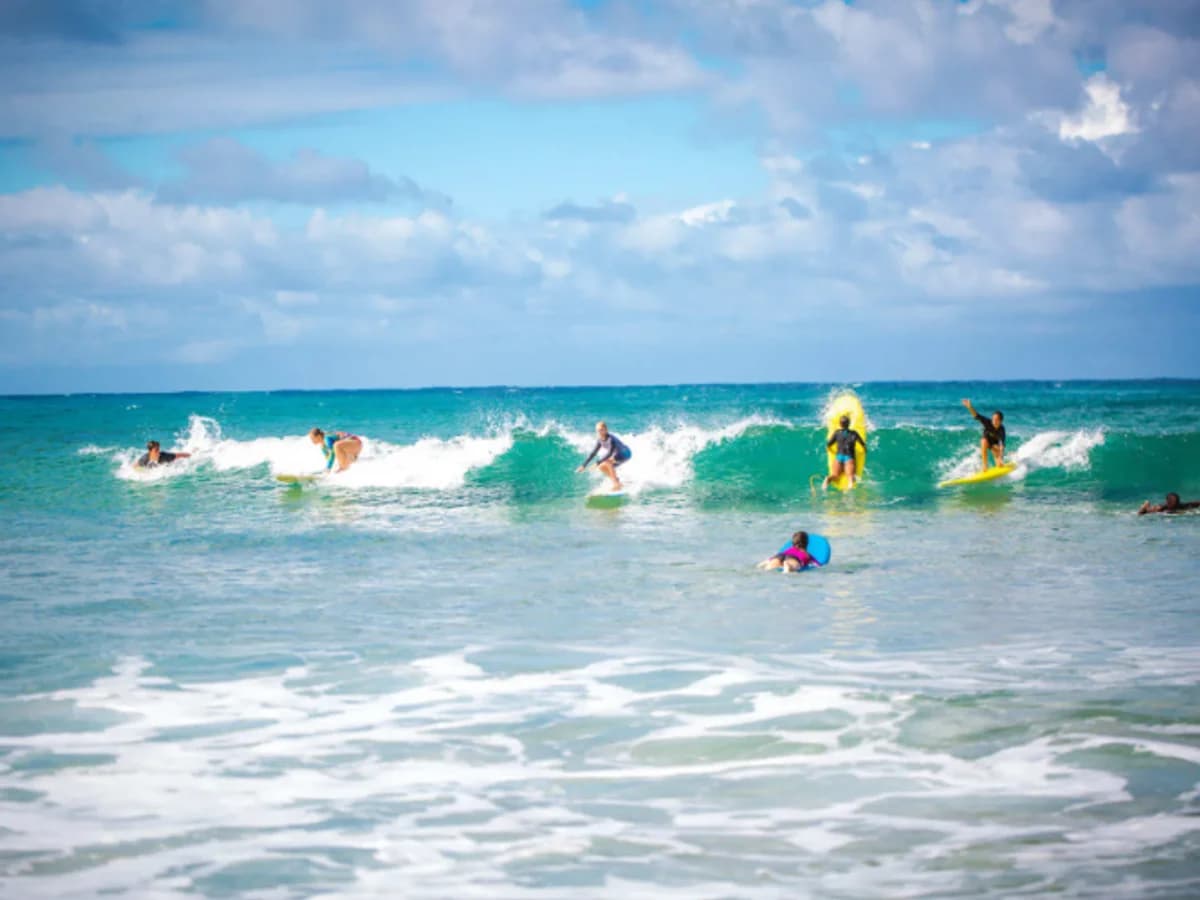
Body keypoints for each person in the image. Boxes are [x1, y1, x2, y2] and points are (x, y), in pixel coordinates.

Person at [576, 421, 632, 492]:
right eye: (598, 430)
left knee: (607, 462)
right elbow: (593, 453)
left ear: (606, 430)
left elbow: (609, 453)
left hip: (625, 453)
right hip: (617, 456)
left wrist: (597, 463)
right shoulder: (600, 440)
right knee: (601, 467)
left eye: (601, 430)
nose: (599, 432)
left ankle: (616, 485)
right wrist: (583, 465)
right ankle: (618, 482)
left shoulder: (611, 439)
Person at [823, 414, 866, 489]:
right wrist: (865, 450)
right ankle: (849, 492)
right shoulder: (854, 433)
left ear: (840, 424)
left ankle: (828, 479)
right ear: (849, 424)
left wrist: (828, 449)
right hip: (849, 458)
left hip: (839, 457)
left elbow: (829, 444)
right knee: (850, 477)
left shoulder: (837, 433)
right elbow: (863, 444)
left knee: (835, 476)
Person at [962, 398, 1005, 471]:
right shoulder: (988, 422)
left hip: (994, 444)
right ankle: (985, 465)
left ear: (1001, 421)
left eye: (996, 420)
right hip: (986, 441)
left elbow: (1002, 445)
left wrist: (1000, 457)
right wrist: (970, 407)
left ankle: (999, 463)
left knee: (999, 464)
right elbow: (976, 416)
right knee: (983, 441)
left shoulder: (1002, 429)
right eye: (993, 419)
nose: (994, 421)